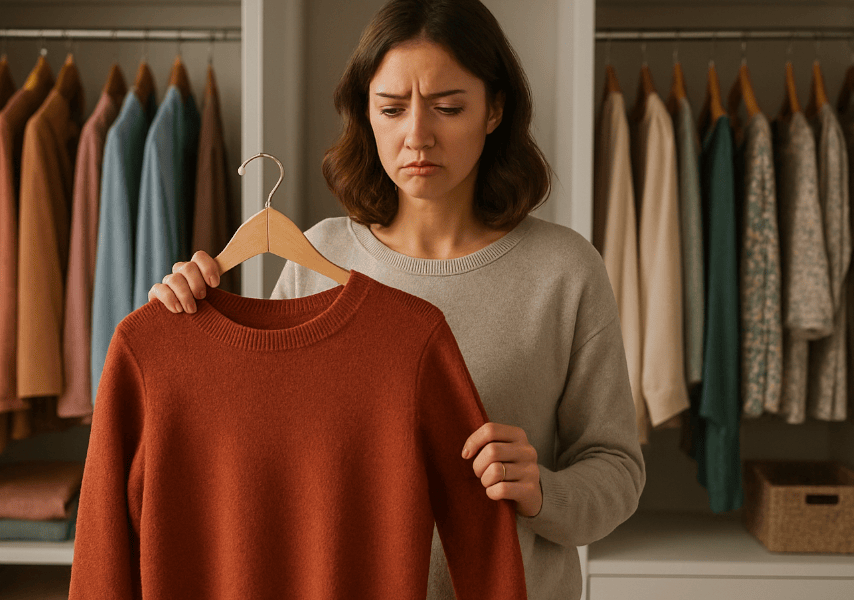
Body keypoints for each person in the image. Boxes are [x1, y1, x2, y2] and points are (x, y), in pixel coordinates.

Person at [147, 0, 645, 597]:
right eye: (391, 108)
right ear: (366, 115)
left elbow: (617, 470)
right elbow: (263, 454)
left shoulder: (565, 270)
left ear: (495, 110)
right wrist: (186, 329)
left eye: (448, 108)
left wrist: (543, 490)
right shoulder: (319, 259)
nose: (417, 136)